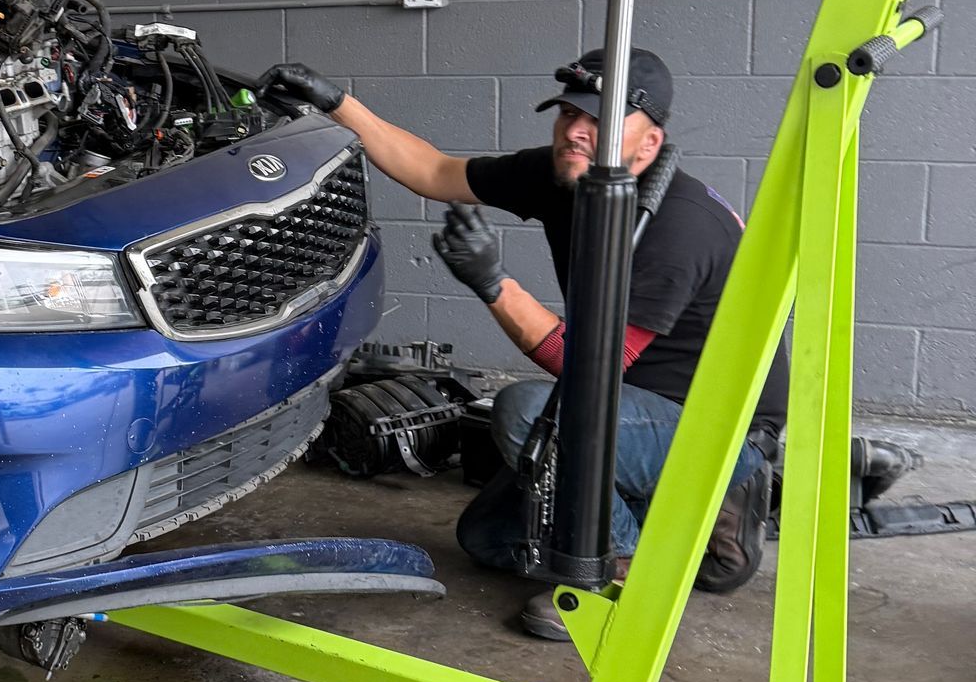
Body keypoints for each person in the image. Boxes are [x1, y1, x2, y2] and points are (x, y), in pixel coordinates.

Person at [304, 46, 784, 636]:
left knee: (524, 411)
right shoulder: (564, 173)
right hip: (630, 409)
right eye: (570, 113)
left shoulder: (677, 226)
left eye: (600, 121)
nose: (576, 131)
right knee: (488, 537)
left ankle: (624, 572)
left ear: (649, 143)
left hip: (715, 429)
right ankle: (670, 514)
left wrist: (493, 283)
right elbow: (434, 172)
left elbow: (591, 368)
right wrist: (335, 103)